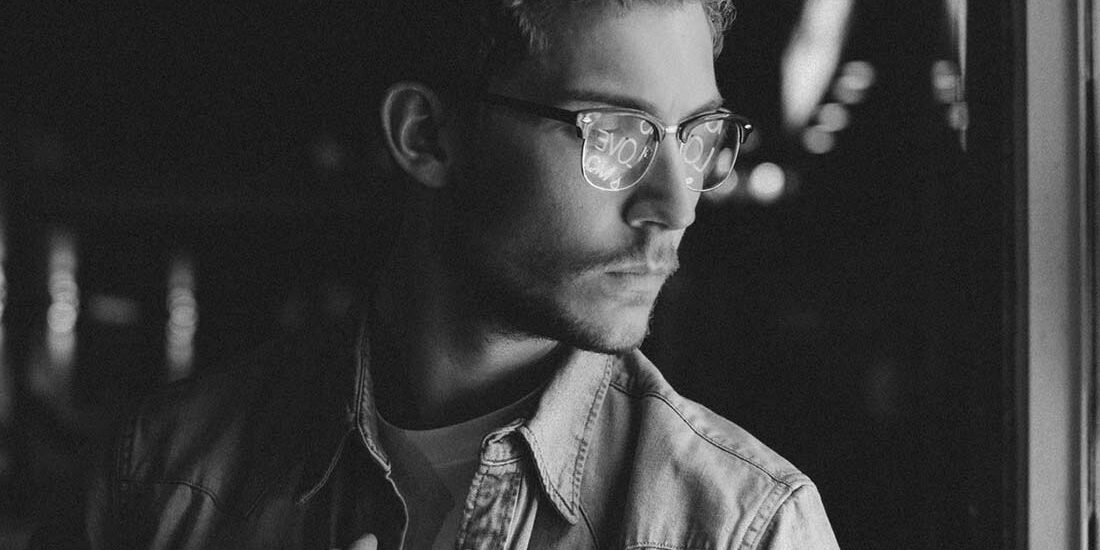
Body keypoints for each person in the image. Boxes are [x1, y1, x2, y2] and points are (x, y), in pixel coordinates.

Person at [35, 0, 840, 548]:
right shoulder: (161, 470)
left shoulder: (744, 526)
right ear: (426, 137)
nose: (678, 203)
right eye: (615, 132)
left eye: (697, 135)